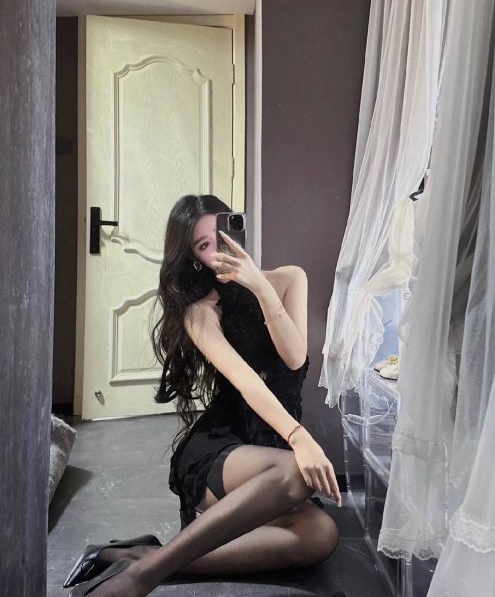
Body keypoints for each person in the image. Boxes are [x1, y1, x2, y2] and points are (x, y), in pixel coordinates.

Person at [65, 194, 341, 596]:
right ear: (194, 258)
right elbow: (249, 384)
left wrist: (259, 285)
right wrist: (300, 438)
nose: (218, 250)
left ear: (237, 230)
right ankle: (140, 578)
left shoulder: (289, 278)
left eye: (220, 236)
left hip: (273, 447)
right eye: (204, 245)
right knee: (298, 472)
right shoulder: (201, 312)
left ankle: (139, 555)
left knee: (321, 534)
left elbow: (295, 358)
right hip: (223, 449)